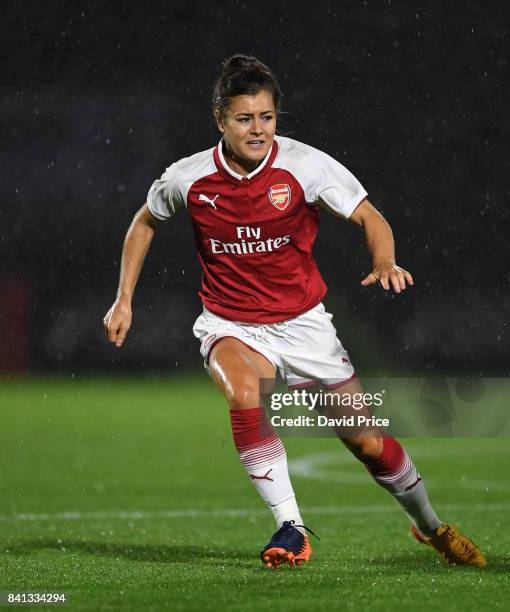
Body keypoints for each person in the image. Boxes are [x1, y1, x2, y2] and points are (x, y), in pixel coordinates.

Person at [103, 55, 486, 569]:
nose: (257, 129)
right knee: (244, 393)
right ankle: (291, 526)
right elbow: (145, 222)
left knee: (368, 443)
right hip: (230, 324)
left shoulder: (305, 165)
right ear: (220, 120)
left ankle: (432, 527)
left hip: (305, 327)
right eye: (244, 118)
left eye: (266, 117)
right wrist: (124, 297)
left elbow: (370, 216)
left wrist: (385, 259)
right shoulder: (188, 177)